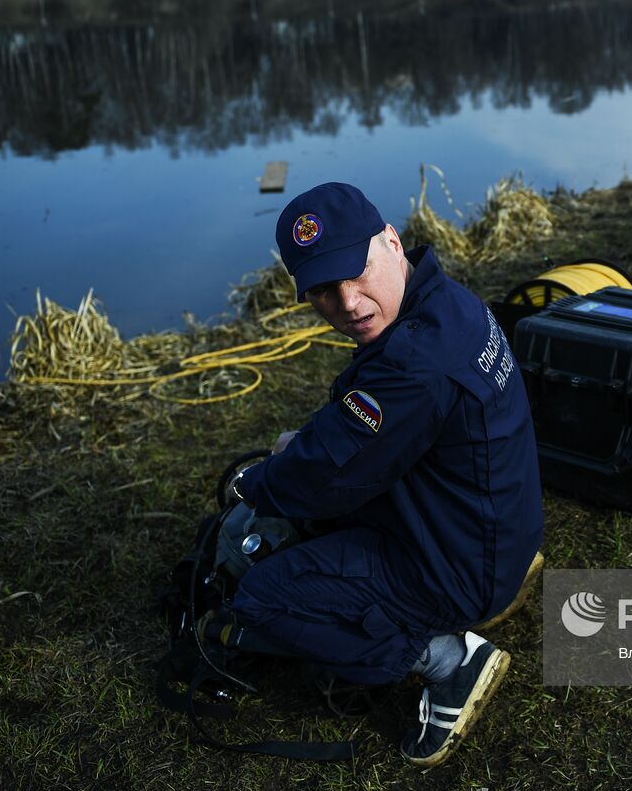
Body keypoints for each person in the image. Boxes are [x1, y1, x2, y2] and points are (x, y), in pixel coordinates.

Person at [218, 182, 545, 767]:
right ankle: (495, 586)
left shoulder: (411, 364)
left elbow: (317, 482)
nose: (347, 303)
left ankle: (449, 662)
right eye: (322, 289)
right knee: (304, 464)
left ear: (391, 241)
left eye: (356, 272)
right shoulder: (447, 304)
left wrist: (254, 485)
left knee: (262, 597)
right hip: (501, 529)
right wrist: (302, 452)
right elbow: (362, 434)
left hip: (462, 566)